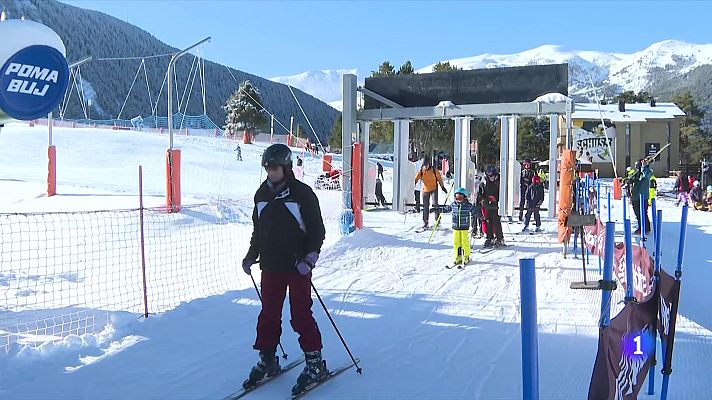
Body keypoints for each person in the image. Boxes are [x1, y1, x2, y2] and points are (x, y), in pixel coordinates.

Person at [241, 143, 328, 395]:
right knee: (269, 314)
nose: (271, 172)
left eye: (275, 167)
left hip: (297, 265)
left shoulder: (302, 194)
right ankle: (268, 358)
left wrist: (310, 257)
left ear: (286, 166)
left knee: (300, 313)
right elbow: (259, 232)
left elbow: (317, 230)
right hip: (270, 265)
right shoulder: (261, 196)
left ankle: (315, 362)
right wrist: (250, 256)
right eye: (267, 168)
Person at [414, 157, 448, 229]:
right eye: (424, 166)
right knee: (425, 206)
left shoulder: (434, 170)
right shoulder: (421, 171)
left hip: (434, 189)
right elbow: (416, 178)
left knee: (435, 204)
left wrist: (442, 187)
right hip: (425, 190)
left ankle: (437, 220)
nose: (425, 167)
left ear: (429, 164)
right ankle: (425, 222)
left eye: (427, 165)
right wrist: (413, 184)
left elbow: (439, 179)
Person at [451, 188, 478, 265]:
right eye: (457, 197)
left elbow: (474, 212)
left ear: (465, 197)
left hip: (464, 227)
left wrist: (480, 216)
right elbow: (446, 209)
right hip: (455, 226)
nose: (458, 199)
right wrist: (437, 210)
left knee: (464, 242)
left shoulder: (468, 206)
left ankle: (466, 256)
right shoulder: (453, 205)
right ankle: (457, 257)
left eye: (460, 197)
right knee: (456, 243)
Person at [482, 166, 505, 247]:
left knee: (496, 221)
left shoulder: (500, 181)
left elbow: (503, 192)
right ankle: (490, 237)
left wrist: (496, 199)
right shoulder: (486, 181)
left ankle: (500, 238)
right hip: (488, 204)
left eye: (491, 176)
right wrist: (483, 199)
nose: (490, 178)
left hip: (497, 204)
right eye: (488, 176)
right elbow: (483, 191)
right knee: (488, 221)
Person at [630, 158, 653, 234]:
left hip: (642, 197)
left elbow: (646, 175)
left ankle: (645, 229)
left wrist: (644, 166)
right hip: (635, 197)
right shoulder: (637, 174)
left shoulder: (647, 172)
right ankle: (642, 227)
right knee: (638, 214)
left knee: (642, 213)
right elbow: (631, 180)